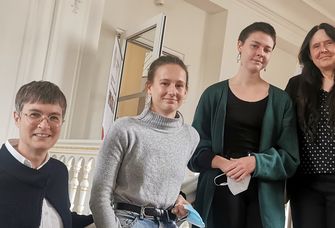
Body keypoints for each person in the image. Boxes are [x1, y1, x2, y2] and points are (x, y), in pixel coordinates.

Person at [188, 22, 300, 228]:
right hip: (218, 192)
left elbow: (290, 158)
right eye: (255, 45)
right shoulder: (212, 95)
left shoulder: (282, 101)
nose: (260, 53)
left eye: (267, 49)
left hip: (262, 198)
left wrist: (255, 163)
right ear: (240, 45)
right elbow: (193, 149)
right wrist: (222, 162)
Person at [89, 55, 200, 228]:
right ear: (149, 87)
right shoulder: (125, 128)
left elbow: (164, 185)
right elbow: (99, 196)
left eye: (179, 85)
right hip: (128, 221)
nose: (172, 91)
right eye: (164, 83)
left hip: (169, 223)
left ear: (185, 91)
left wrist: (179, 203)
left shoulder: (191, 136)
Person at [0, 81, 93, 228]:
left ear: (62, 122)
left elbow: (58, 217)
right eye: (34, 114)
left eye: (54, 117)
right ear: (17, 118)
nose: (44, 125)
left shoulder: (58, 171)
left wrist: (107, 217)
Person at [285, 23, 335, 228]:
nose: (323, 49)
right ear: (309, 53)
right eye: (316, 46)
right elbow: (284, 129)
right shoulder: (296, 85)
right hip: (305, 184)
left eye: (329, 43)